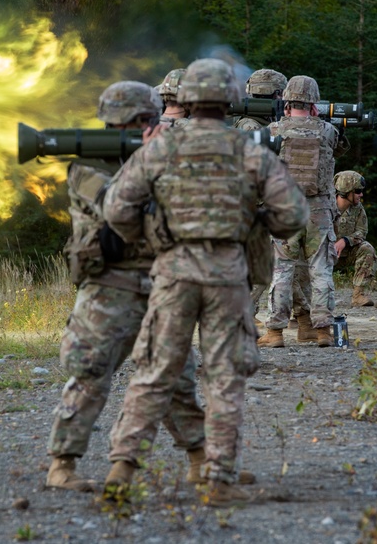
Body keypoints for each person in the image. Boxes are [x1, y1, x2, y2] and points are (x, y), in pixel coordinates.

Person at [101, 58, 309, 506]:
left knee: (155, 371)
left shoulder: (158, 149)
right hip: (229, 276)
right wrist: (256, 223)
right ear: (232, 99)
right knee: (224, 378)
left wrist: (155, 237)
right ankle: (217, 480)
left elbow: (117, 209)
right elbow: (294, 216)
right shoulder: (250, 150)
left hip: (173, 273)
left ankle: (122, 469)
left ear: (187, 99)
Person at [45, 81, 207, 493]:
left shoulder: (161, 158)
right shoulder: (86, 168)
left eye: (149, 120)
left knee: (178, 377)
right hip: (107, 287)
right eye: (141, 121)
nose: (148, 126)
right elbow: (119, 207)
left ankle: (201, 462)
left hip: (159, 284)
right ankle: (62, 465)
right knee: (90, 374)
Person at [260, 75, 347, 348]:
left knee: (282, 270)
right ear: (314, 104)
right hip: (318, 210)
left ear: (286, 103)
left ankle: (275, 333)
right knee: (320, 271)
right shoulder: (327, 131)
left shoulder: (274, 130)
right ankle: (323, 331)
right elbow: (340, 147)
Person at [234, 68, 310, 334]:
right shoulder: (253, 128)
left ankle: (304, 317)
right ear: (276, 94)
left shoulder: (252, 123)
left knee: (284, 262)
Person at [334, 170, 377, 308]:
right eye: (357, 191)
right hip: (323, 254)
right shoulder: (325, 207)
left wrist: (345, 241)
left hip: (346, 254)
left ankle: (358, 295)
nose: (361, 194)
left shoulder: (358, 209)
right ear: (346, 190)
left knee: (367, 249)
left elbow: (362, 231)